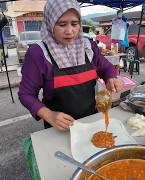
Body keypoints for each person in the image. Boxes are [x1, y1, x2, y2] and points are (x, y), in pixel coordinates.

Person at [18, 0, 122, 131]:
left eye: (74, 24)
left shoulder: (88, 46)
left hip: (90, 122)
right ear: (50, 23)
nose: (69, 31)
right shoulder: (38, 53)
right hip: (58, 127)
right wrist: (49, 115)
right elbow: (26, 94)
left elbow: (106, 68)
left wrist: (111, 78)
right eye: (62, 24)